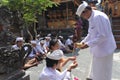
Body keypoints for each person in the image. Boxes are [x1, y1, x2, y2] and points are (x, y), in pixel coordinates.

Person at [75, 1, 117, 80]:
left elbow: (102, 36)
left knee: (104, 73)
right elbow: (91, 34)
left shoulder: (98, 17)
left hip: (105, 50)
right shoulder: (92, 17)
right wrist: (82, 42)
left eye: (82, 15)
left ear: (86, 11)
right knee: (97, 71)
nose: (83, 18)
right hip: (99, 50)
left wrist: (87, 44)